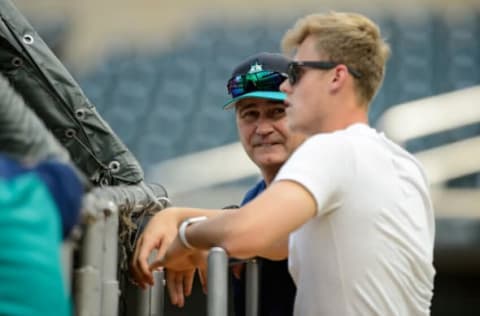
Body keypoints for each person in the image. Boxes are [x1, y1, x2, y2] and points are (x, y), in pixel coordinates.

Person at [131, 11, 436, 316]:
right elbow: (280, 236)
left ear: (336, 77)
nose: (288, 88)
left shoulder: (332, 150)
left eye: (298, 74)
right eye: (249, 113)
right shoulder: (402, 163)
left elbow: (247, 234)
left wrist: (186, 237)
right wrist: (182, 217)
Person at [223, 52, 304, 316]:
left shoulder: (321, 182)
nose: (262, 128)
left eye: (277, 112)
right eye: (250, 114)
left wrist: (193, 231)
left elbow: (280, 235)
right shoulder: (254, 197)